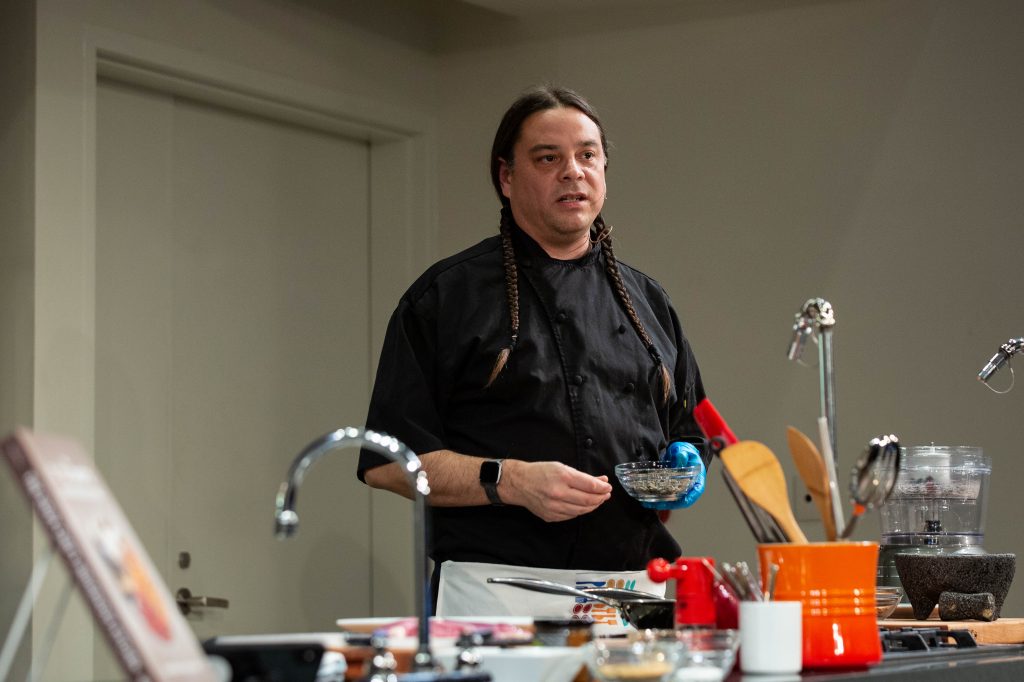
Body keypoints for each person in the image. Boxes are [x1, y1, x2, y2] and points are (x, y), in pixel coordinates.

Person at [357, 86, 709, 610]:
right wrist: (511, 481)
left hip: (633, 591)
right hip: (497, 594)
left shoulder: (648, 300)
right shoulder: (447, 295)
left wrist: (687, 465)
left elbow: (691, 431)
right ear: (506, 176)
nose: (573, 171)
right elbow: (388, 462)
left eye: (587, 155)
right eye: (549, 158)